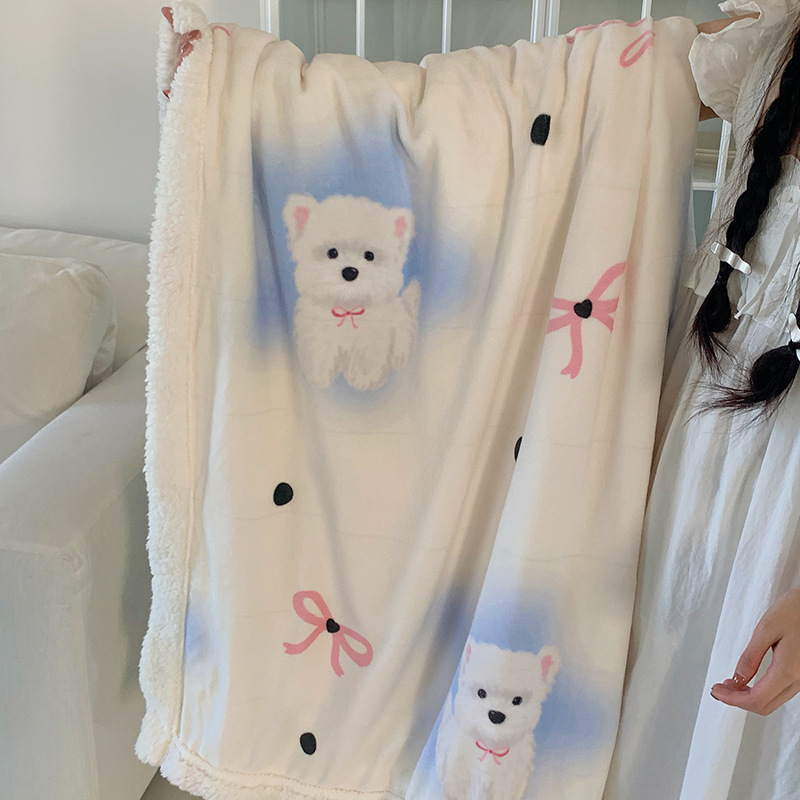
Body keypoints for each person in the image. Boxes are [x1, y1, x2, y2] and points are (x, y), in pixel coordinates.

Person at [604, 2, 800, 798]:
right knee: (645, 699)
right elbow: (569, 93)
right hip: (689, 447)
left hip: (786, 511)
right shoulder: (770, 38)